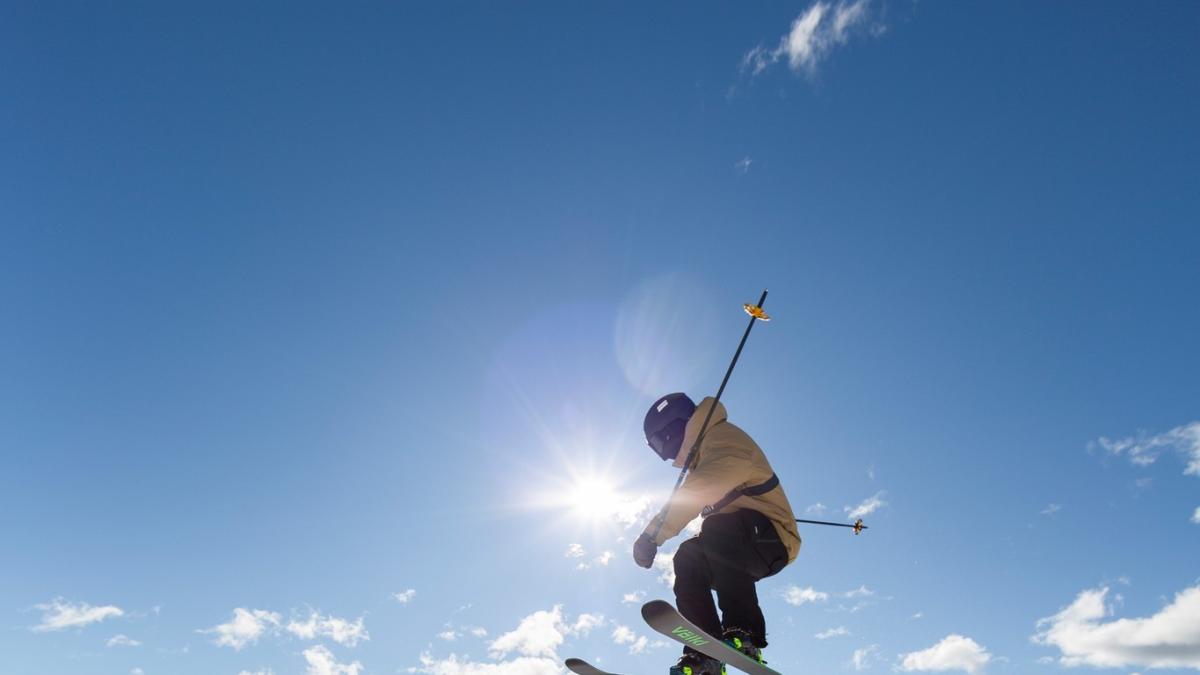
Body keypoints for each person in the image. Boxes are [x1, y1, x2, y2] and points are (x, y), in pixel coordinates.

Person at [634, 393, 801, 675]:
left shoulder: (723, 439)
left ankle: (743, 632)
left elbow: (698, 491)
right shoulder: (703, 454)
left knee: (718, 527)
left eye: (660, 445)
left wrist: (652, 534)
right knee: (688, 556)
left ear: (673, 429)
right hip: (742, 544)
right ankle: (704, 653)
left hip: (773, 539)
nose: (665, 455)